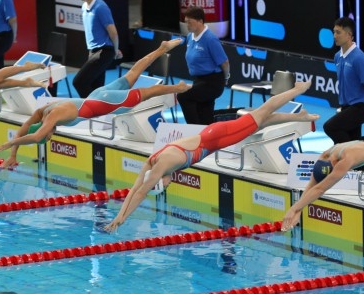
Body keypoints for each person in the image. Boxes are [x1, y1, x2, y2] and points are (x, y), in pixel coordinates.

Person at [105, 80, 319, 232]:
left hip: (218, 138)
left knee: (261, 113)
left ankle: (296, 90)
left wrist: (123, 218)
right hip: (213, 135)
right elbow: (134, 189)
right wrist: (119, 216)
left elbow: (141, 192)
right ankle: (298, 117)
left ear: (159, 178)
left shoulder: (160, 167)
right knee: (259, 121)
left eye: (163, 184)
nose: (167, 184)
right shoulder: (151, 161)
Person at [0, 38, 190, 168]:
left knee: (147, 93)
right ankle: (161, 49)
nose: (50, 136)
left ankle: (178, 88)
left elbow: (35, 136)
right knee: (132, 75)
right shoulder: (41, 111)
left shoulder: (51, 118)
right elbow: (27, 128)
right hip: (97, 94)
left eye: (49, 136)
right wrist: (13, 154)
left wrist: (12, 142)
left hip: (105, 102)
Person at [323, 17, 364, 144]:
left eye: (338, 32)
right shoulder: (337, 57)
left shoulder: (359, 58)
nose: (334, 36)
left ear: (349, 35)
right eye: (334, 32)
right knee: (353, 140)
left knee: (330, 127)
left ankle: (352, 152)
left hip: (360, 107)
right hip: (346, 107)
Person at [177, 5, 230, 125]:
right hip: (198, 81)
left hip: (213, 82)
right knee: (205, 115)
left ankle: (193, 131)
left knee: (183, 97)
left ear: (200, 21)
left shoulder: (210, 39)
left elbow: (225, 62)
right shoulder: (190, 36)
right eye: (186, 23)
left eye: (190, 22)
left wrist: (226, 78)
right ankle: (206, 137)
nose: (187, 25)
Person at [72, 0, 123, 98]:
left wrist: (116, 50)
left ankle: (91, 109)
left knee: (79, 82)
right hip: (93, 52)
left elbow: (113, 32)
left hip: (104, 52)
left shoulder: (101, 7)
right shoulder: (84, 7)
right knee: (96, 88)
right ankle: (99, 110)